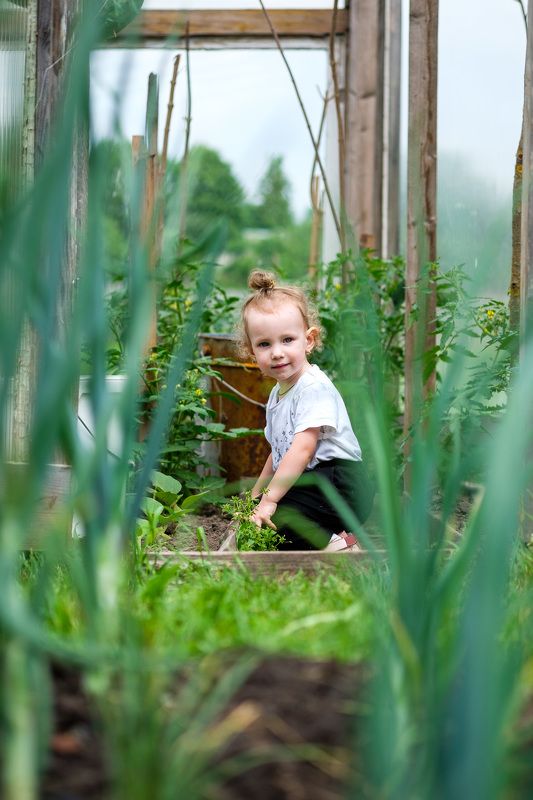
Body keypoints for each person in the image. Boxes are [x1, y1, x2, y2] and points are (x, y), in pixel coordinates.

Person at [238, 269, 374, 551]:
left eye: (287, 340)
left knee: (279, 518)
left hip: (341, 483)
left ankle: (339, 547)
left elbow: (302, 449)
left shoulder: (312, 387)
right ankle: (329, 535)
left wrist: (270, 501)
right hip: (316, 483)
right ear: (252, 353)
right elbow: (278, 455)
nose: (277, 352)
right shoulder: (277, 394)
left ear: (308, 340)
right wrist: (255, 499)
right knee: (266, 523)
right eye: (264, 344)